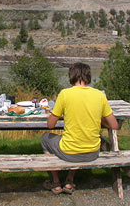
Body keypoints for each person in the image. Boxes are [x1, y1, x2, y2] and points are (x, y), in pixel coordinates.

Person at [41, 62, 119, 194]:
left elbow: (50, 125)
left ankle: (55, 182)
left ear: (71, 76)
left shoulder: (65, 94)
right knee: (83, 138)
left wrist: (58, 113)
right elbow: (114, 125)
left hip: (69, 152)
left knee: (45, 139)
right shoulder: (100, 95)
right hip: (93, 153)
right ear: (88, 76)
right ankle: (69, 180)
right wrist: (98, 118)